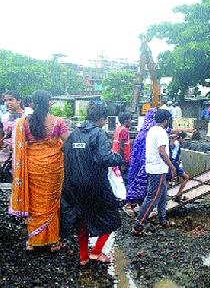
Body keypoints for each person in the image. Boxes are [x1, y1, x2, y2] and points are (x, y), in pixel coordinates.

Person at [61, 102, 123, 266]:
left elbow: (65, 155)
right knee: (112, 217)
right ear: (102, 118)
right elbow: (104, 158)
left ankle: (83, 257)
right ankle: (96, 252)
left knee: (82, 219)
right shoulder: (98, 134)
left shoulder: (74, 134)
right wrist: (118, 157)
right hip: (95, 186)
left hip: (73, 186)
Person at [10, 90, 69, 252]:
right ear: (49, 103)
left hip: (32, 167)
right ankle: (53, 242)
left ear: (32, 103)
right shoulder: (58, 122)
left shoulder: (23, 122)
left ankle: (33, 241)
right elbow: (68, 142)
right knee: (50, 202)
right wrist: (55, 148)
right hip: (52, 168)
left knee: (35, 202)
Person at [132, 109, 176, 235]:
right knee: (152, 197)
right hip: (158, 169)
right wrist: (172, 167)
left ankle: (162, 220)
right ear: (166, 120)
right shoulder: (161, 132)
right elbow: (162, 152)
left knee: (162, 195)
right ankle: (138, 225)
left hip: (152, 167)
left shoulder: (152, 130)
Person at [125, 108, 157, 216]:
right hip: (145, 162)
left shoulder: (141, 132)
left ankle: (132, 204)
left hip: (135, 163)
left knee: (134, 181)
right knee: (144, 183)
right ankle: (133, 206)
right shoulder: (152, 132)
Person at [0, 90, 24, 165]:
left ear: (19, 101)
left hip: (24, 154)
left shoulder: (27, 115)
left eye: (11, 99)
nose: (7, 102)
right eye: (5, 100)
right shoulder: (4, 117)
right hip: (7, 155)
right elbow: (2, 134)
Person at [167, 131, 189, 202]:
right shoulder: (176, 143)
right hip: (174, 163)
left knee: (168, 181)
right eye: (184, 139)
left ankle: (178, 194)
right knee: (186, 177)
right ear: (181, 138)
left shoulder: (177, 142)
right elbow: (172, 146)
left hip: (173, 163)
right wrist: (173, 139)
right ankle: (178, 194)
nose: (185, 141)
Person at [112, 112, 132, 184]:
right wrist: (122, 162)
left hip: (116, 157)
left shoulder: (118, 129)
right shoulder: (124, 130)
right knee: (123, 179)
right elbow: (121, 146)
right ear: (125, 121)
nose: (131, 121)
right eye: (130, 119)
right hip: (123, 159)